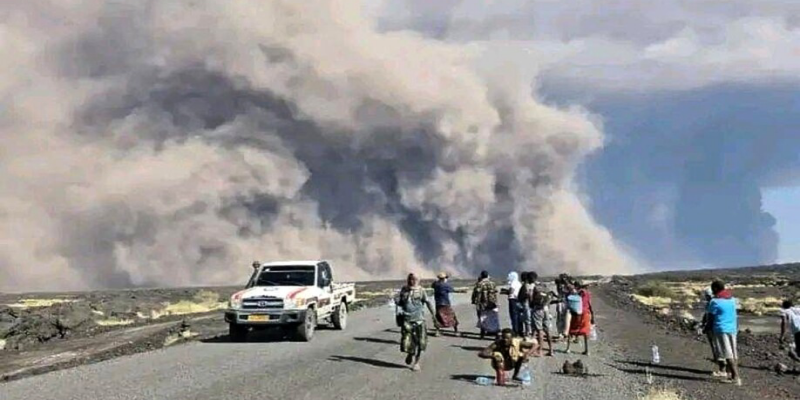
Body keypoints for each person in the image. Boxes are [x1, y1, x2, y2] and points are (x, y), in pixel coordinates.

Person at [397, 273, 436, 371]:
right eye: (410, 279)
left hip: (419, 320)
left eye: (414, 279)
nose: (412, 281)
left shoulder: (421, 291)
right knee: (406, 342)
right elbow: (401, 303)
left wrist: (433, 315)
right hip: (407, 320)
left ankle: (416, 362)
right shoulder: (404, 290)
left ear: (418, 281)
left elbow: (428, 302)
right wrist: (397, 302)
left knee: (420, 342)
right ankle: (410, 353)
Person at [707, 280, 741, 386]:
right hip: (732, 328)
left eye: (713, 289)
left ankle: (736, 377)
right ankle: (730, 374)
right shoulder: (732, 299)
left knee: (727, 353)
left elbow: (710, 318)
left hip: (721, 329)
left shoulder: (714, 301)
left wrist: (706, 329)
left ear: (715, 288)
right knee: (733, 352)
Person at [700, 287, 727, 376]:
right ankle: (725, 369)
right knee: (719, 348)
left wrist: (705, 327)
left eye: (707, 296)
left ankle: (723, 369)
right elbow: (706, 315)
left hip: (715, 328)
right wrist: (703, 323)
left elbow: (711, 317)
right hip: (717, 328)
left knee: (717, 348)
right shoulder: (716, 302)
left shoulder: (713, 303)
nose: (706, 297)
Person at [529, 271, 555, 356]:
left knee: (539, 331)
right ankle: (551, 350)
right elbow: (550, 297)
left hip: (537, 309)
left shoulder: (533, 287)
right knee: (547, 330)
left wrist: (531, 305)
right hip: (546, 309)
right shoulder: (543, 285)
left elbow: (531, 299)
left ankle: (540, 351)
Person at [566, 281, 594, 355]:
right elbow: (590, 305)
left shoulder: (576, 293)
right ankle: (587, 350)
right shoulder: (588, 294)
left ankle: (568, 348)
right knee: (585, 332)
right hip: (586, 314)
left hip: (577, 313)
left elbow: (570, 302)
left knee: (571, 330)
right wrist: (592, 316)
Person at [472, 270, 500, 339]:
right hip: (492, 303)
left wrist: (475, 302)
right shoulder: (493, 283)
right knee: (493, 318)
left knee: (482, 318)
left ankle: (482, 334)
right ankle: (496, 333)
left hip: (482, 304)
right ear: (487, 276)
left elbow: (476, 294)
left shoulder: (479, 284)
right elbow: (495, 292)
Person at [501, 272, 523, 336]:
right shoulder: (518, 283)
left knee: (514, 316)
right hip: (518, 300)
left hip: (513, 300)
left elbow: (511, 291)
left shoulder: (513, 283)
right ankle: (520, 330)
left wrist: (505, 292)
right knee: (518, 316)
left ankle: (515, 331)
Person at [518, 272, 534, 339]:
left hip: (526, 303)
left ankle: (528, 332)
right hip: (531, 304)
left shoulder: (525, 286)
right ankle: (531, 332)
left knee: (527, 319)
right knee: (530, 318)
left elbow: (522, 296)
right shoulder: (532, 285)